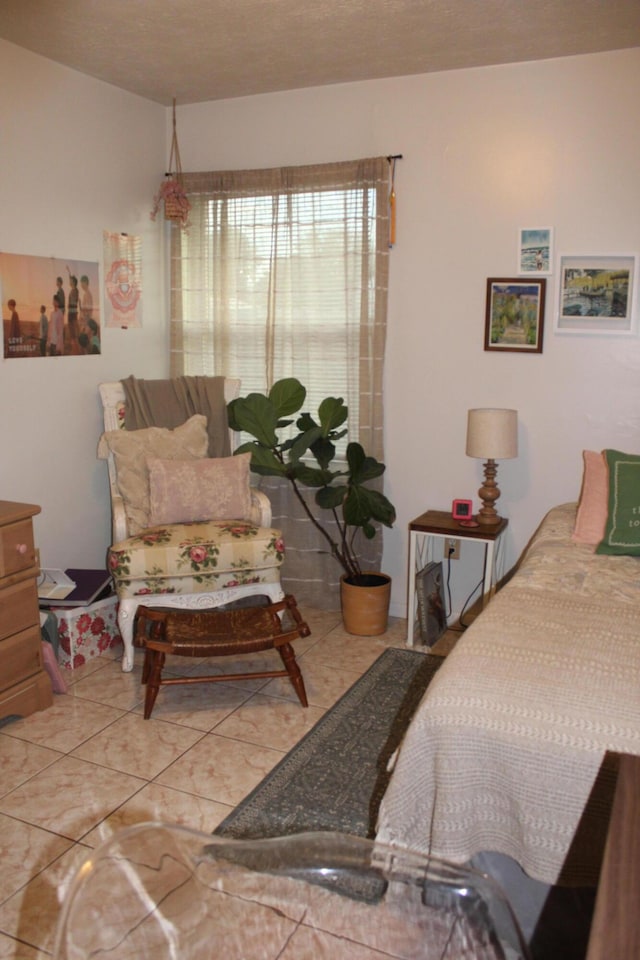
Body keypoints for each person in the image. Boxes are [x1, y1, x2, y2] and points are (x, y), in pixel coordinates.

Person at [65, 269, 80, 349]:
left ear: (73, 282)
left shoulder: (75, 291)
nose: (69, 282)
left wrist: (70, 310)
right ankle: (75, 346)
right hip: (71, 313)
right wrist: (69, 272)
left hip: (72, 313)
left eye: (71, 281)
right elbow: (71, 279)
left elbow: (74, 303)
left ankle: (76, 347)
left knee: (73, 332)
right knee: (72, 332)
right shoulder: (74, 290)